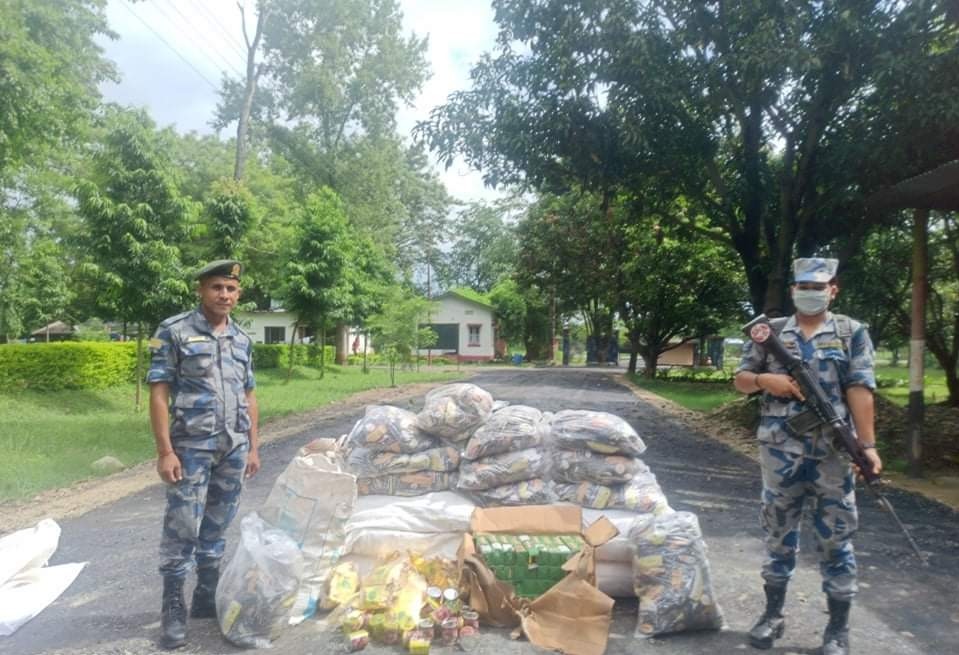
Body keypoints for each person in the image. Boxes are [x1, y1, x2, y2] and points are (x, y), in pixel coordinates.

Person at [734, 257, 881, 655]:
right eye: (804, 286)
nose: (811, 293)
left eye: (819, 286)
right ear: (793, 289)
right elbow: (741, 380)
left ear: (834, 288)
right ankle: (772, 616)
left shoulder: (851, 332)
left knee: (836, 539)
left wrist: (865, 446)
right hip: (780, 451)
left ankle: (837, 630)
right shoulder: (771, 332)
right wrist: (767, 380)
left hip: (833, 455)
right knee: (779, 533)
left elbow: (860, 388)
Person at [147, 260, 260, 649]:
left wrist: (253, 446)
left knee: (217, 526)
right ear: (201, 290)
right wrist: (165, 451)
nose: (224, 295)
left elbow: (249, 395)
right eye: (216, 288)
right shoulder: (173, 331)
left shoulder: (242, 339)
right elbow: (159, 392)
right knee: (182, 528)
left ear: (238, 293)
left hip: (232, 447)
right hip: (190, 448)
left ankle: (205, 595)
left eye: (230, 289)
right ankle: (173, 608)